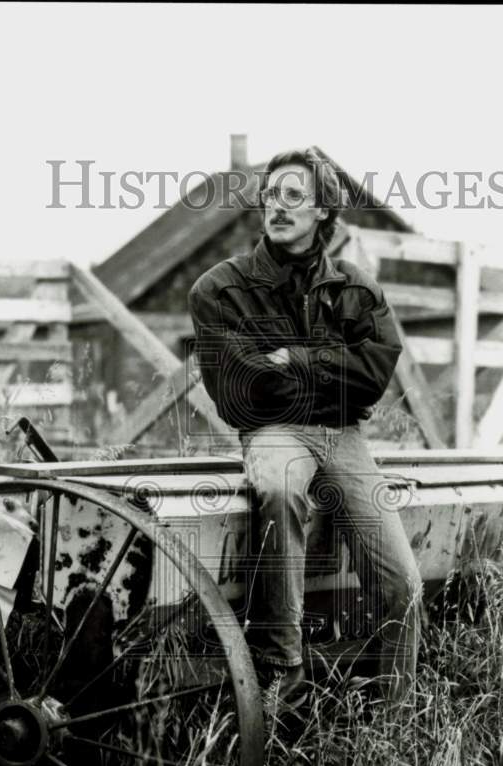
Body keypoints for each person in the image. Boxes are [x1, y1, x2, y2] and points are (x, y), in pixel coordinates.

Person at [188, 147, 422, 707]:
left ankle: (396, 711)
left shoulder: (356, 290)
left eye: (293, 195)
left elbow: (373, 376)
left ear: (323, 209)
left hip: (344, 437)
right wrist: (328, 369)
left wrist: (292, 358)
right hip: (273, 433)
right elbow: (239, 393)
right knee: (278, 487)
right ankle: (281, 670)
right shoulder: (218, 290)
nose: (277, 206)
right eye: (270, 195)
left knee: (403, 584)